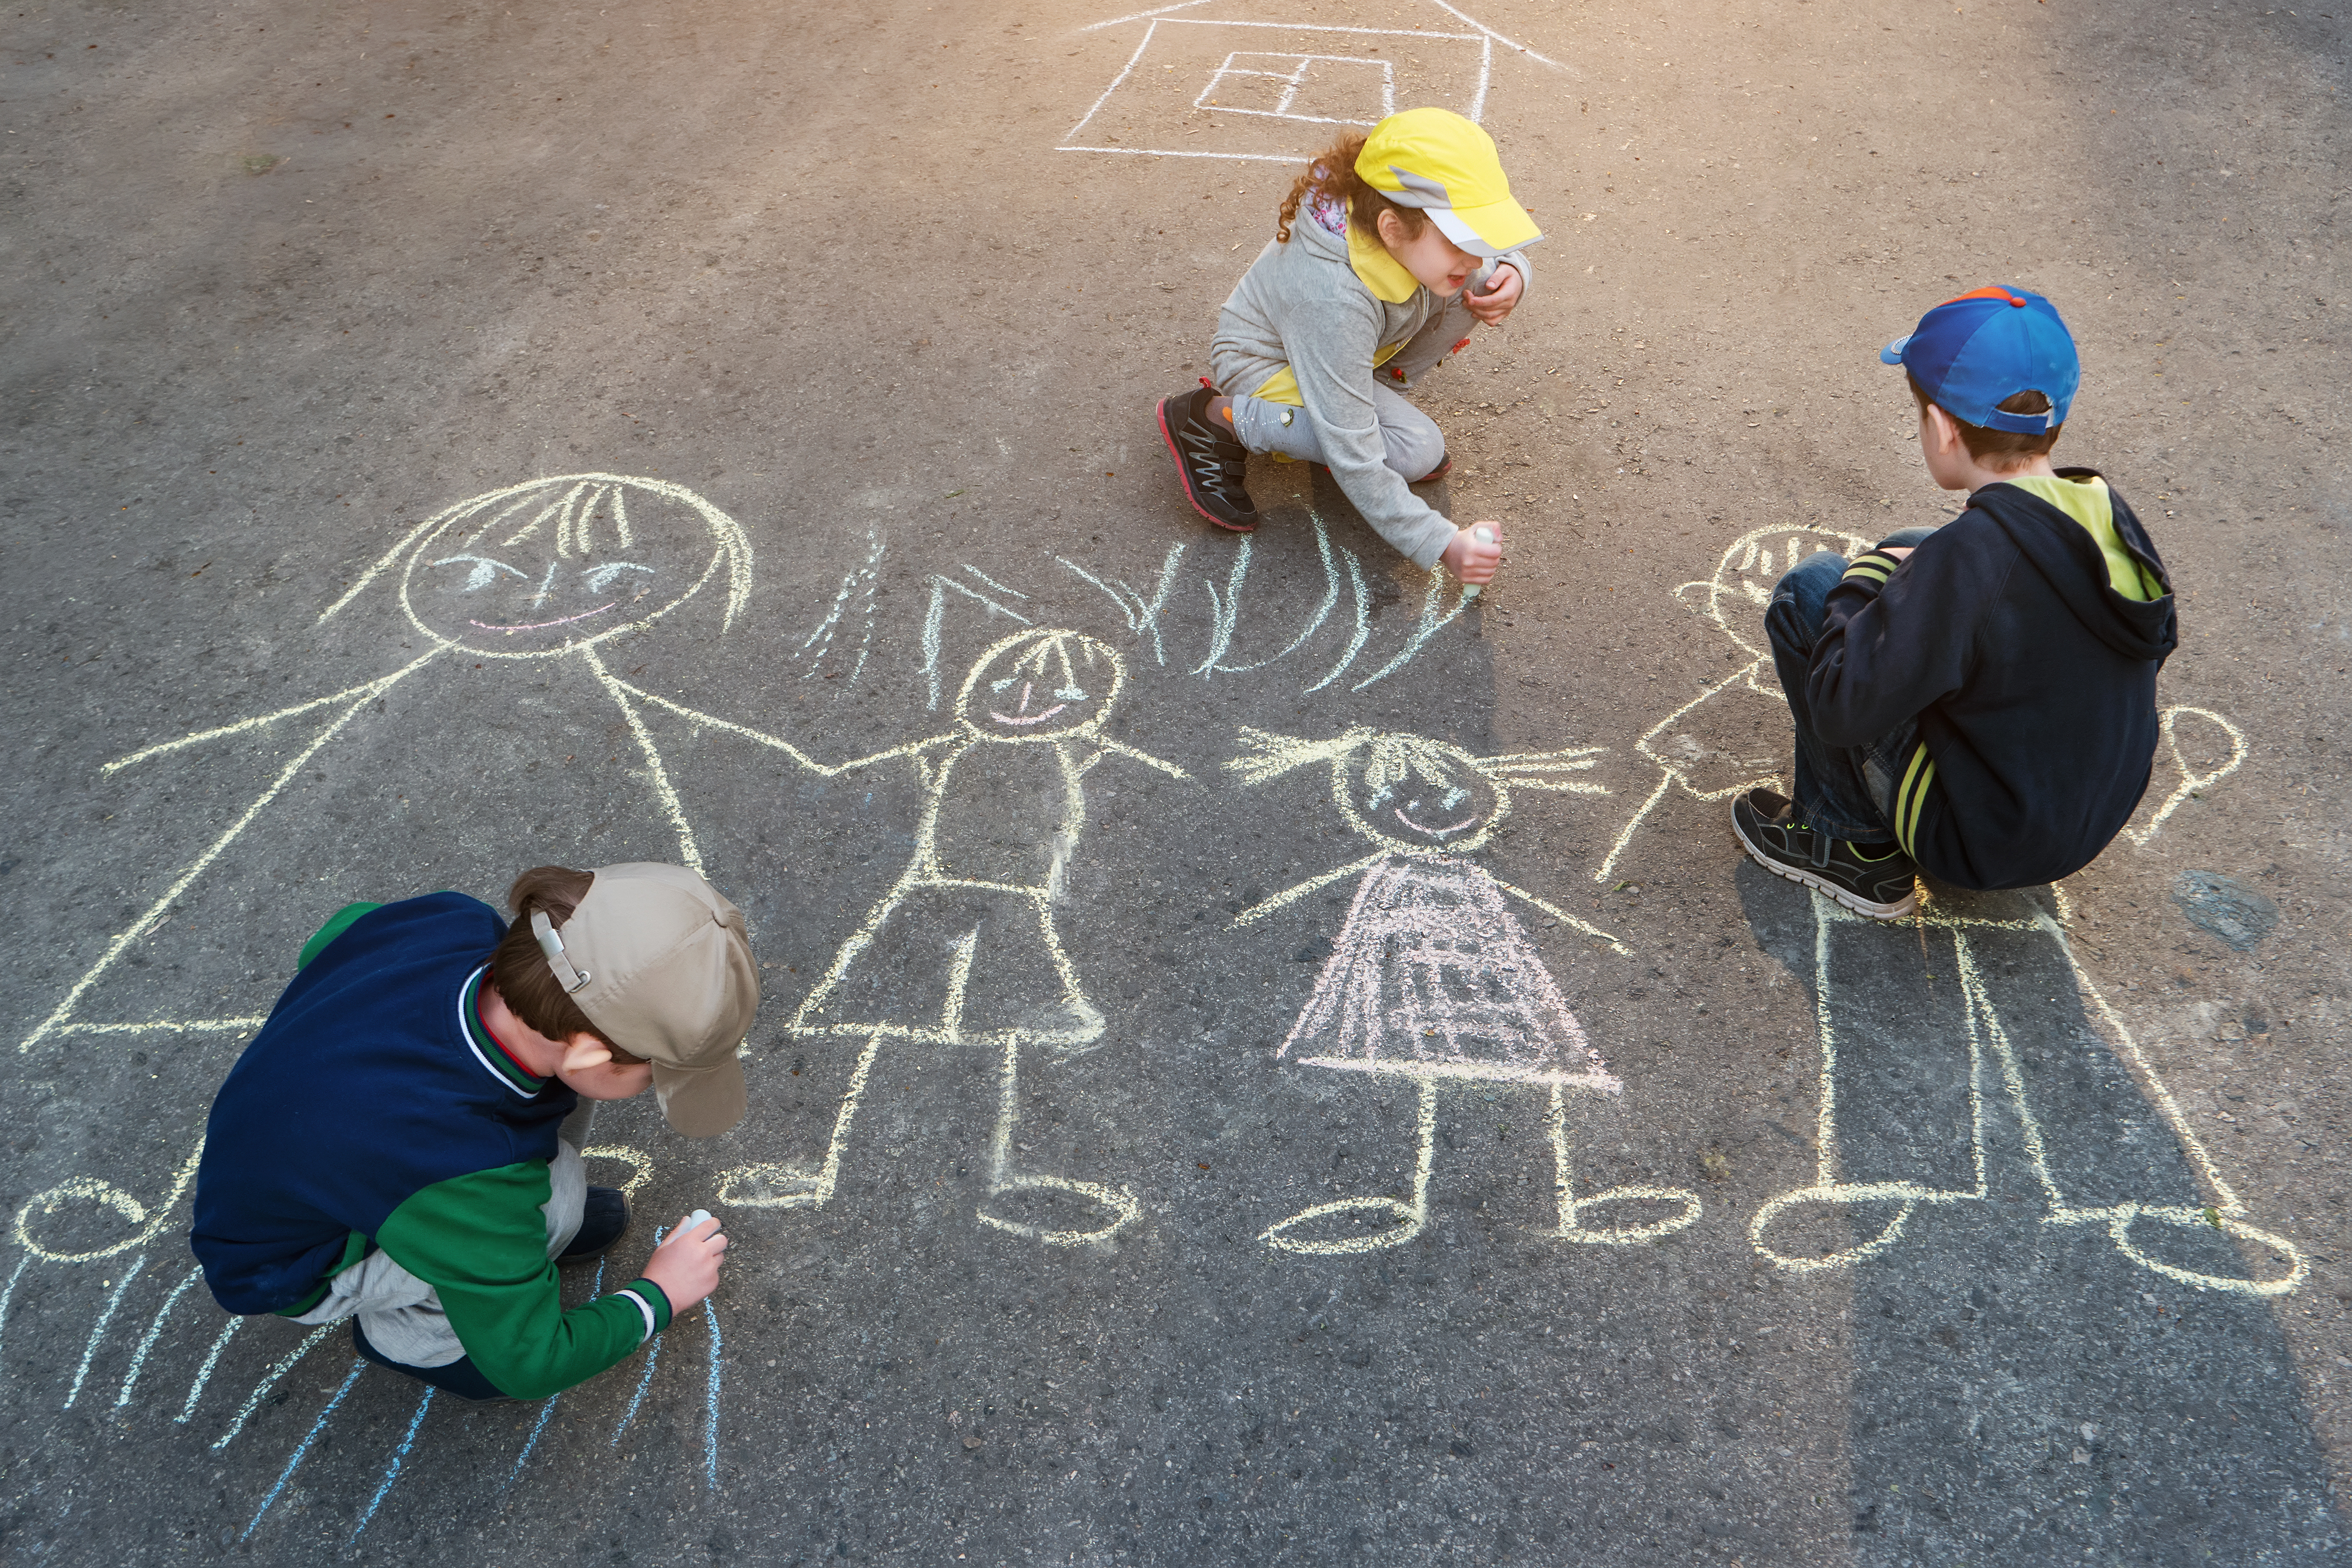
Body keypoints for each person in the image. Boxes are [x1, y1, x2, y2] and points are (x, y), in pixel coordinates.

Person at [191, 861, 759, 1402]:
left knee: (526, 1178)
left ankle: (496, 1263)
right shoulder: (463, 1171)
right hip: (294, 1265)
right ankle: (418, 1343)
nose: (652, 1085)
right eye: (655, 1072)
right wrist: (659, 1295)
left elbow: (332, 938)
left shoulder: (450, 922)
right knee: (555, 1203)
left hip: (291, 1154)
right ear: (588, 1053)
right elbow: (534, 1364)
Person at [1733, 286, 2177, 917]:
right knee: (1916, 545)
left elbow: (1839, 707)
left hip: (1980, 839)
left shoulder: (1970, 559)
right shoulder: (2105, 512)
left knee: (1812, 589)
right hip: (2082, 813)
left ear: (1941, 429)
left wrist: (1865, 577)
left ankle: (1849, 850)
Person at [1155, 107, 1539, 586]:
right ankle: (1218, 418)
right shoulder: (1331, 300)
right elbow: (1355, 457)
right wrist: (1441, 543)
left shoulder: (1395, 228)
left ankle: (1367, 395)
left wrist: (1514, 272)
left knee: (1472, 286)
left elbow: (1485, 258)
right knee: (1416, 450)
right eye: (1460, 239)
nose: (1476, 255)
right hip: (1267, 367)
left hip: (1337, 350)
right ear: (1391, 228)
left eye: (1479, 239)